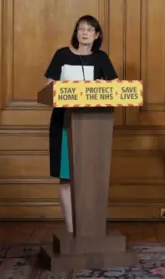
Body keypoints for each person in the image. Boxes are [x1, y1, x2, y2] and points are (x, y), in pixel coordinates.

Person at [43, 15, 118, 233]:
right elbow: (50, 86)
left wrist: (100, 84)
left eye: (89, 30)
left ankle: (91, 229)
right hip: (64, 123)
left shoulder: (101, 58)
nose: (84, 33)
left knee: (91, 177)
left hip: (94, 125)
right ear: (76, 33)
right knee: (66, 178)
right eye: (80, 29)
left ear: (96, 35)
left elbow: (115, 87)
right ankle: (71, 230)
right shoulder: (62, 55)